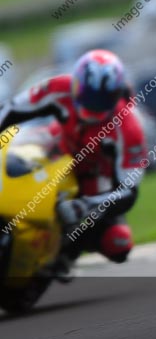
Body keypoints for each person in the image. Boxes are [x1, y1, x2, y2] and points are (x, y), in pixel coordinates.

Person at [0, 49, 146, 278]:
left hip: (94, 178)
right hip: (54, 146)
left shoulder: (129, 129)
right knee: (12, 155)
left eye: (101, 99)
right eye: (87, 94)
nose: (92, 105)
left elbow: (129, 191)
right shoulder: (58, 87)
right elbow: (11, 110)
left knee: (118, 244)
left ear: (115, 94)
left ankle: (65, 255)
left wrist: (86, 205)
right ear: (76, 82)